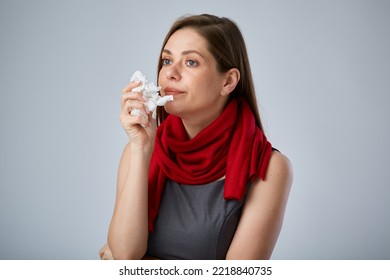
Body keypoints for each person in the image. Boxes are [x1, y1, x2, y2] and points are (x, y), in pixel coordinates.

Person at [99, 14, 293, 260]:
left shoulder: (271, 168)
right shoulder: (139, 149)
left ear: (228, 81)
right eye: (167, 60)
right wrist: (140, 149)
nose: (170, 73)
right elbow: (126, 255)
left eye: (191, 62)